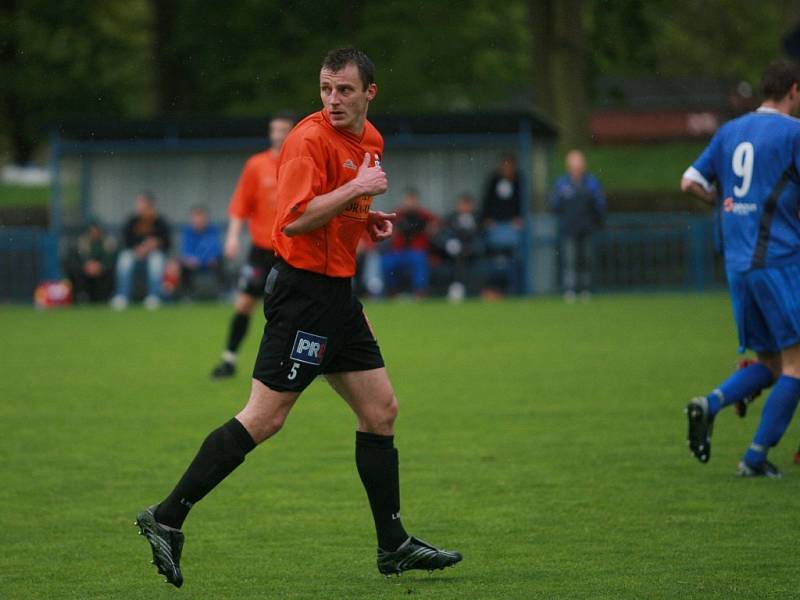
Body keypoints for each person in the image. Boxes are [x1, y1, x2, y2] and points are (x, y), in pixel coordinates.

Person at [135, 47, 462, 588]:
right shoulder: (307, 141)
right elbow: (291, 222)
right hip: (303, 296)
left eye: (345, 91)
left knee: (381, 410)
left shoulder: (371, 140)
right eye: (326, 89)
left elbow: (335, 210)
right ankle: (167, 516)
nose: (333, 100)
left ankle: (394, 545)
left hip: (339, 297)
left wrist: (365, 216)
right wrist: (355, 191)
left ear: (369, 94)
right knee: (265, 418)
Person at [681, 59, 800, 478]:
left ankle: (710, 403)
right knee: (796, 365)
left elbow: (689, 181)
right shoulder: (794, 133)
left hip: (737, 266)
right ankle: (755, 457)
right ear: (794, 91)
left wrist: (725, 203)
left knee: (768, 365)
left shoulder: (729, 132)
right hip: (780, 261)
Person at [210, 114, 295, 378]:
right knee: (244, 303)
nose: (277, 134)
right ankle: (229, 359)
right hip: (261, 251)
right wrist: (233, 237)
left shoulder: (300, 163)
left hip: (292, 251)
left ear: (293, 133)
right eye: (274, 129)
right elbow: (240, 206)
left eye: (283, 130)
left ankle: (301, 364)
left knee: (293, 309)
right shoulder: (256, 165)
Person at [548, 150, 607, 302]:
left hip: (587, 228)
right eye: (574, 165)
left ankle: (585, 289)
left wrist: (594, 220)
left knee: (586, 259)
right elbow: (554, 203)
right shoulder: (561, 183)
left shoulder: (591, 182)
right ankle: (570, 290)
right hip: (569, 228)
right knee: (570, 260)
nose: (577, 168)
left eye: (579, 165)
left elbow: (600, 203)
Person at [110, 192, 171, 310]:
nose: (139, 206)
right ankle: (122, 296)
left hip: (154, 254)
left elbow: (167, 243)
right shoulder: (132, 220)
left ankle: (153, 297)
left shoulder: (159, 222)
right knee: (124, 259)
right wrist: (139, 248)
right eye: (138, 204)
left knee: (156, 261)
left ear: (149, 205)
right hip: (135, 253)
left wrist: (154, 244)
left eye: (142, 204)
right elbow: (126, 240)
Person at [381, 188, 438, 296]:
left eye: (412, 200)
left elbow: (435, 225)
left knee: (419, 260)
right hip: (398, 251)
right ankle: (392, 292)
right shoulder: (397, 214)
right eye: (408, 199)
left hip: (416, 251)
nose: (410, 202)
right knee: (387, 262)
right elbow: (387, 228)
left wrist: (430, 229)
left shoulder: (424, 215)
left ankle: (420, 292)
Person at [435, 192, 483, 301]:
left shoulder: (478, 219)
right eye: (462, 204)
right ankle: (457, 287)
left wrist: (469, 246)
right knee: (458, 256)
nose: (464, 207)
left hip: (472, 252)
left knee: (462, 254)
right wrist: (449, 243)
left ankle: (457, 287)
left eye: (467, 205)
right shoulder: (450, 218)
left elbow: (481, 236)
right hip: (451, 254)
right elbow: (441, 234)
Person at [63, 218, 116, 303]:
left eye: (96, 230)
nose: (94, 232)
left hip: (102, 273)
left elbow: (112, 259)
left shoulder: (108, 242)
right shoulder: (82, 242)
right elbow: (76, 258)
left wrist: (101, 266)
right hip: (85, 273)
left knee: (112, 272)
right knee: (73, 269)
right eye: (92, 230)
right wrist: (86, 266)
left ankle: (108, 296)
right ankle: (81, 295)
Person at [179, 206, 223, 299]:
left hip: (210, 262)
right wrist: (191, 259)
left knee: (221, 262)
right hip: (193, 263)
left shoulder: (213, 230)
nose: (199, 220)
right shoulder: (188, 232)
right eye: (196, 217)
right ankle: (187, 295)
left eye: (201, 217)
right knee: (182, 266)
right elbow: (186, 251)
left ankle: (222, 293)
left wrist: (206, 259)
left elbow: (215, 249)